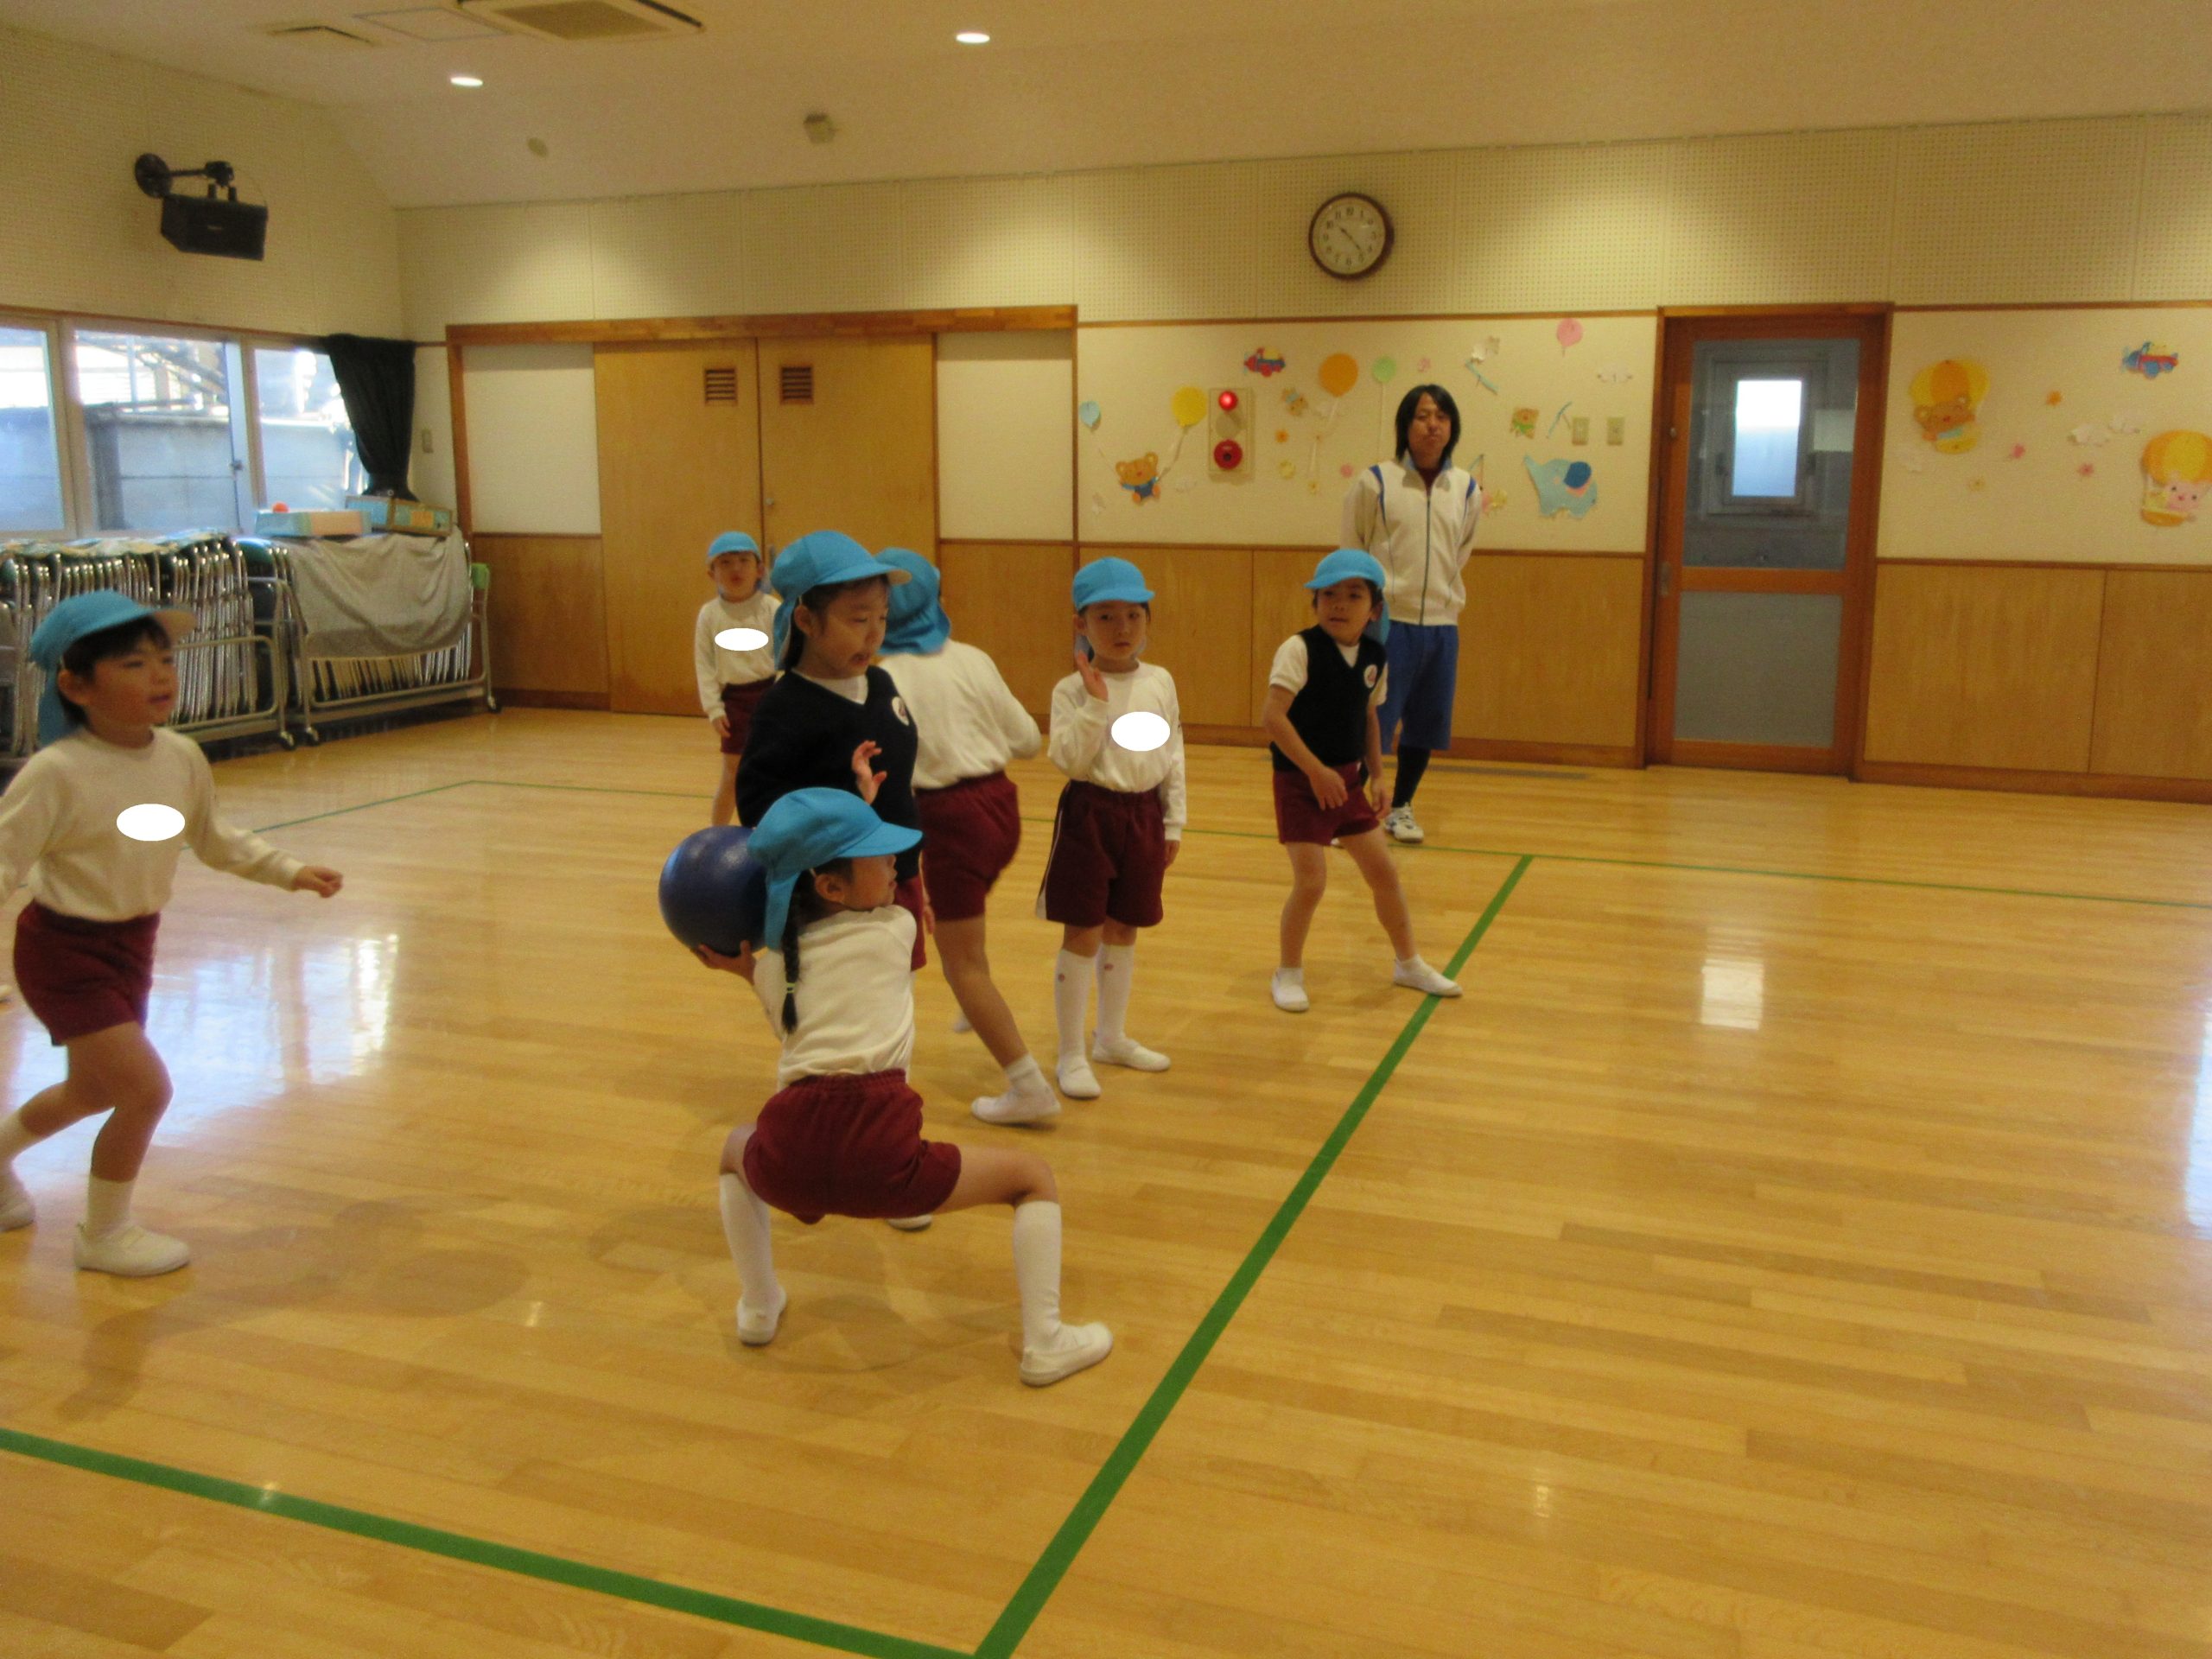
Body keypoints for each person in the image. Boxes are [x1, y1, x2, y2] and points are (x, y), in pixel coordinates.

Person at [695, 787, 1113, 1387]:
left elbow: (793, 1016)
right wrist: (867, 802)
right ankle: (1045, 1341)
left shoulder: (775, 969)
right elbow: (904, 901)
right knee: (1032, 1178)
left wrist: (745, 967)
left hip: (790, 1150)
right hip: (881, 1149)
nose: (895, 862)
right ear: (830, 886)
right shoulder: (895, 927)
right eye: (879, 855)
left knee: (734, 1150)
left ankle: (759, 1307)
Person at [0, 593, 343, 1275]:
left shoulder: (180, 757)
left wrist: (288, 870)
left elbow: (213, 837)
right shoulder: (56, 773)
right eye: (133, 664)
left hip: (133, 946)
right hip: (63, 951)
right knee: (145, 1090)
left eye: (165, 660)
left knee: (92, 1092)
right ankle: (104, 1234)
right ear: (76, 686)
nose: (159, 675)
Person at [874, 551, 1056, 1126]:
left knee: (963, 963)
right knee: (967, 932)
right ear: (939, 600)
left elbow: (888, 779)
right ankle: (975, 1000)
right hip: (1003, 810)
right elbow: (1028, 742)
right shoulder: (974, 658)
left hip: (947, 820)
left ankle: (1028, 1086)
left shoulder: (883, 679)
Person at [1260, 550, 1463, 1012]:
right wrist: (1315, 770)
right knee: (1311, 882)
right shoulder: (1299, 649)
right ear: (1315, 603)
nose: (1339, 603)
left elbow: (1369, 717)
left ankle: (1408, 963)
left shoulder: (1375, 655)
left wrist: (1379, 775)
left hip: (1348, 783)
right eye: (1329, 594)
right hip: (1299, 782)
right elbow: (1273, 717)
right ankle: (1288, 972)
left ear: (1374, 609)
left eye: (1354, 595)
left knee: (1384, 873)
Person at [734, 531, 929, 969]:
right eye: (859, 620)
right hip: (833, 902)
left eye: (882, 617)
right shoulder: (784, 709)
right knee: (840, 1001)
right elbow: (760, 812)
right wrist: (847, 802)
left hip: (898, 880)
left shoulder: (882, 685)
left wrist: (915, 879)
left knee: (896, 993)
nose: (875, 634)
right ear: (806, 620)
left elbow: (900, 793)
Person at [1039, 558, 1184, 1101]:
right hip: (1090, 816)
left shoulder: (1160, 681)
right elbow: (1071, 762)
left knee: (1125, 928)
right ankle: (1070, 1053)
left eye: (1132, 615)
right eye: (1105, 617)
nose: (1121, 628)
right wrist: (1096, 703)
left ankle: (1111, 1038)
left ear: (1147, 620)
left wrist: (1173, 820)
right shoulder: (1070, 691)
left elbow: (1173, 753)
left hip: (1144, 816)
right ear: (1081, 623)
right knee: (1083, 931)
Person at [1340, 384, 1483, 844]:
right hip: (1387, 623)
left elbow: (1461, 551)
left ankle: (1400, 807)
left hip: (1441, 624)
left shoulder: (1466, 488)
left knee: (1427, 721)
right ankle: (1348, 811)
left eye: (1441, 416)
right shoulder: (1376, 482)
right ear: (1405, 425)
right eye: (1422, 416)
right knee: (1373, 721)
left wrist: (1441, 594)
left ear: (1452, 427)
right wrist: (1365, 611)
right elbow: (1353, 548)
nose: (1432, 425)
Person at [693, 531, 776, 827]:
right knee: (731, 773)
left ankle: (768, 831)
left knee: (772, 771)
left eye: (743, 561)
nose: (735, 569)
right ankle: (715, 835)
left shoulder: (772, 608)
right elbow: (704, 664)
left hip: (770, 698)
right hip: (734, 703)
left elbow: (786, 655)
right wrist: (714, 708)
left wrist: (784, 700)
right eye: (725, 563)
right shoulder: (709, 615)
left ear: (759, 570)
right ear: (711, 573)